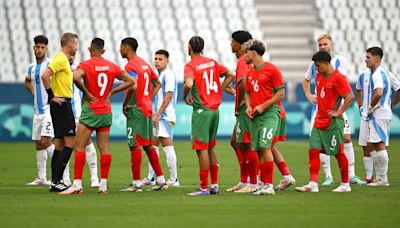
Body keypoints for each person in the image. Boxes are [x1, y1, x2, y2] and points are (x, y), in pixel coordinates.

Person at [59, 37, 135, 194]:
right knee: (104, 148)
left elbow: (74, 77)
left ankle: (77, 185)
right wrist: (113, 91)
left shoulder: (86, 65)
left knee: (79, 147)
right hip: (105, 111)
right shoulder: (111, 66)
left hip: (90, 110)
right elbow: (131, 81)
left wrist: (86, 92)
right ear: (104, 50)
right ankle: (103, 185)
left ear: (89, 49)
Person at [303, 33, 364, 185]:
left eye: (325, 44)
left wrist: (339, 111)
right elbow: (306, 79)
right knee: (317, 144)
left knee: (347, 138)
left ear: (332, 45)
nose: (323, 47)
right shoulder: (315, 64)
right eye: (320, 45)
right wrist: (309, 95)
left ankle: (351, 176)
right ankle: (328, 176)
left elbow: (341, 85)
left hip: (337, 106)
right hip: (320, 109)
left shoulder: (340, 61)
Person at [296, 51, 353, 193]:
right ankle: (313, 184)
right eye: (315, 66)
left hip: (332, 123)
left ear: (327, 64)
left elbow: (350, 96)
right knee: (313, 151)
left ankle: (345, 184)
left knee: (339, 152)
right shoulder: (319, 75)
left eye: (318, 65)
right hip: (318, 120)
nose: (316, 68)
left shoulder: (339, 78)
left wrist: (338, 113)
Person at [183, 36, 234, 196]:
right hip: (215, 111)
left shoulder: (190, 65)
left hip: (202, 111)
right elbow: (230, 74)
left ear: (190, 47)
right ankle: (215, 185)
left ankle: (204, 187)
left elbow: (189, 83)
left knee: (201, 149)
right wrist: (219, 89)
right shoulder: (211, 62)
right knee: (211, 146)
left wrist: (185, 96)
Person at [119, 37, 168, 192]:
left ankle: (136, 183)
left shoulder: (131, 65)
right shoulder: (145, 64)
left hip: (136, 109)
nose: (120, 50)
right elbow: (158, 83)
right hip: (146, 108)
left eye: (121, 47)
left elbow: (133, 86)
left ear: (126, 47)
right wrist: (148, 98)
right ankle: (160, 179)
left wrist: (126, 103)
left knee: (135, 146)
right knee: (148, 145)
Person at [243, 39, 285, 195]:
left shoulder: (272, 70)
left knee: (266, 146)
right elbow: (247, 92)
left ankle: (268, 185)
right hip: (255, 116)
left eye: (246, 52)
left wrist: (263, 106)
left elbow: (281, 94)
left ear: (254, 52)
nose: (244, 56)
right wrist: (248, 106)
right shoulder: (250, 72)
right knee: (260, 149)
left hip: (270, 114)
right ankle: (262, 184)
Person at [42, 32, 79, 192]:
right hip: (62, 104)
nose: (77, 47)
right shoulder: (60, 58)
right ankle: (57, 181)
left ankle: (54, 182)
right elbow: (45, 75)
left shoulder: (64, 60)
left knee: (59, 144)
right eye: (76, 44)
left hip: (61, 105)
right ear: (69, 45)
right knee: (71, 143)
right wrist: (52, 96)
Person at [225, 30, 259, 193]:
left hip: (246, 108)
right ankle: (245, 180)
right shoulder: (245, 60)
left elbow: (244, 83)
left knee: (246, 143)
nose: (230, 44)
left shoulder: (242, 61)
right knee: (237, 142)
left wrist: (241, 102)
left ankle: (253, 182)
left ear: (239, 44)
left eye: (232, 41)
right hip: (246, 106)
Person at [356, 47, 394, 186]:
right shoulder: (381, 72)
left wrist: (370, 107)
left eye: (368, 57)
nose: (365, 60)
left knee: (378, 144)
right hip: (381, 113)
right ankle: (378, 178)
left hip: (379, 113)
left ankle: (382, 179)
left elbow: (378, 93)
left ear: (377, 59)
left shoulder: (378, 73)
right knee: (374, 143)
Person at [142, 49, 179, 187]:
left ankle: (174, 179)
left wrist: (158, 115)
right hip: (159, 115)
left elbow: (168, 96)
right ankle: (151, 177)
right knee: (152, 146)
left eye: (160, 59)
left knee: (167, 146)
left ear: (167, 61)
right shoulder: (159, 75)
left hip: (164, 116)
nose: (157, 61)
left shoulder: (168, 75)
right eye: (156, 59)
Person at [24, 35, 54, 186]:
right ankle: (41, 177)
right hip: (37, 111)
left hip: (49, 109)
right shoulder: (30, 67)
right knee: (38, 143)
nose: (40, 50)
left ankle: (59, 174)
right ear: (34, 48)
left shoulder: (51, 65)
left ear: (46, 49)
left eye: (43, 47)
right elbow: (27, 81)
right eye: (38, 47)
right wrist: (35, 93)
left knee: (46, 140)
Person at [69, 55, 99, 188]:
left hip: (79, 112)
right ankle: (65, 179)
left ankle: (94, 177)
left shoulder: (81, 68)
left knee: (87, 141)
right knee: (66, 143)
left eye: (73, 53)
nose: (71, 56)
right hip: (63, 112)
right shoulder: (57, 66)